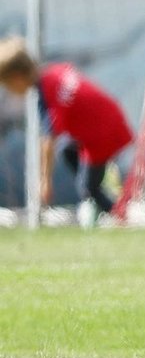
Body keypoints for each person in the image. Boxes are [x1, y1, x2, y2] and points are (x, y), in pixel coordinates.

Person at [0, 37, 134, 227]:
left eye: (7, 84)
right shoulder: (54, 72)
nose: (9, 90)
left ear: (16, 78)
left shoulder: (47, 91)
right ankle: (102, 189)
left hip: (101, 135)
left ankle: (119, 215)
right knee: (67, 151)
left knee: (87, 187)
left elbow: (48, 140)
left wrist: (45, 181)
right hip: (108, 122)